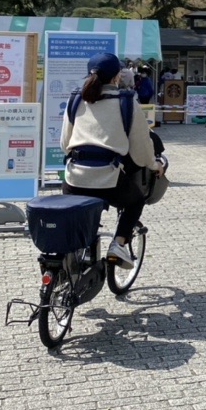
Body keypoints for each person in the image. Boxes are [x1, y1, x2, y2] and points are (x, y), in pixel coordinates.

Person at [60, 52, 158, 269]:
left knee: (76, 217)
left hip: (73, 179)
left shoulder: (76, 99)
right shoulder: (126, 102)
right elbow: (142, 150)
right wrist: (155, 165)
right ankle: (119, 244)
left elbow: (65, 143)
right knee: (135, 202)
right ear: (117, 76)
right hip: (108, 180)